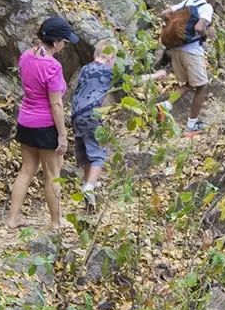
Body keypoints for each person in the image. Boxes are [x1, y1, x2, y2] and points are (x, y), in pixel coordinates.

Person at [71, 39, 167, 209]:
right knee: (99, 153)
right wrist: (155, 76)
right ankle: (89, 187)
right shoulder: (108, 72)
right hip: (93, 114)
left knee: (87, 152)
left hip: (76, 115)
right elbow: (133, 81)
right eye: (114, 60)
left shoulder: (85, 69)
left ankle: (88, 183)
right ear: (111, 58)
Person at [8, 17, 79, 230]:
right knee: (52, 173)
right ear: (56, 42)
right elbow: (56, 104)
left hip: (25, 120)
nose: (65, 45)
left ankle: (13, 218)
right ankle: (56, 221)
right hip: (46, 124)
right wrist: (62, 135)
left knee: (27, 169)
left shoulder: (26, 56)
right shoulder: (53, 67)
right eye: (64, 41)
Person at [158, 0, 224, 136]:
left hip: (177, 50)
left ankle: (165, 106)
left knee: (189, 84)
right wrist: (208, 33)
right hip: (192, 52)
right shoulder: (206, 7)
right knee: (202, 87)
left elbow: (164, 13)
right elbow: (199, 28)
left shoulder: (187, 2)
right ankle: (191, 125)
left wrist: (177, 30)